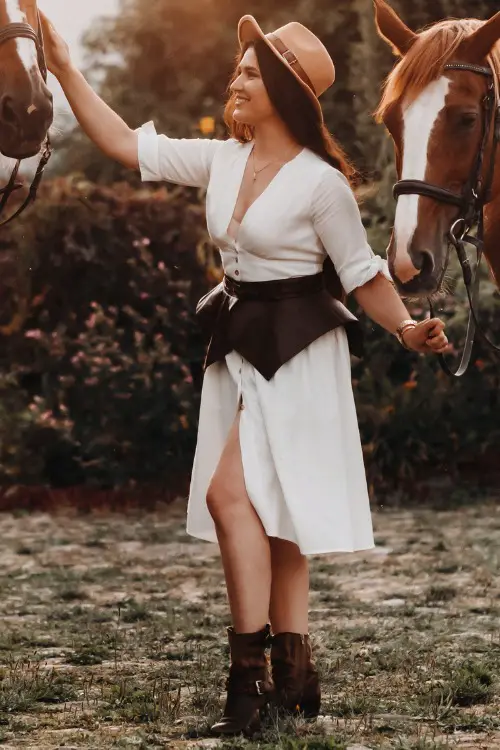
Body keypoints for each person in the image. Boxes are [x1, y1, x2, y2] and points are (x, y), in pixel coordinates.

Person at [40, 10, 449, 738]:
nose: (236, 80)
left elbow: (361, 274)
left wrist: (409, 330)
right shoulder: (222, 159)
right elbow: (120, 142)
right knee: (276, 521)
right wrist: (66, 67)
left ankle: (245, 692)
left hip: (298, 352)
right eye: (238, 70)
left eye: (252, 73)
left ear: (286, 92)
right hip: (237, 347)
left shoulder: (321, 183)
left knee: (234, 498)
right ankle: (295, 679)